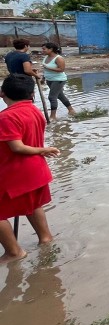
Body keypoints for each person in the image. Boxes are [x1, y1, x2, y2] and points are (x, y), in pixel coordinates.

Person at [0, 73, 60, 263]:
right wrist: (42, 151)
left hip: (16, 172)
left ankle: (14, 252)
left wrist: (43, 149)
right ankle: (45, 238)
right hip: (36, 170)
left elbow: (16, 147)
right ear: (32, 94)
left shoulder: (6, 117)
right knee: (33, 205)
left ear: (2, 93)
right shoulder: (34, 110)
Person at [41, 43, 76, 120]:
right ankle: (71, 110)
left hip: (58, 80)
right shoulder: (46, 57)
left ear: (51, 49)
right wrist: (43, 78)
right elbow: (45, 69)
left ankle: (52, 117)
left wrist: (48, 68)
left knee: (52, 97)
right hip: (49, 79)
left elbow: (61, 69)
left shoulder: (58, 58)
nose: (42, 50)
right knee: (60, 95)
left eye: (44, 49)